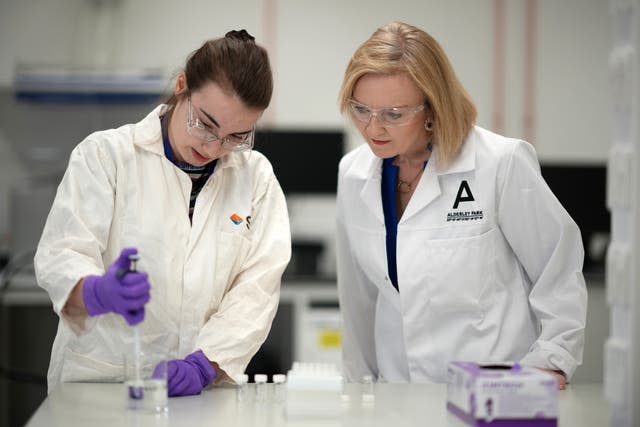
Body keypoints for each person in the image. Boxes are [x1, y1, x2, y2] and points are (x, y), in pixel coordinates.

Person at [34, 29, 291, 396]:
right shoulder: (107, 156)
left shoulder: (256, 177)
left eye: (237, 136)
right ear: (181, 86)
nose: (214, 146)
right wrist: (96, 292)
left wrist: (205, 364)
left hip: (201, 391)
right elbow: (61, 254)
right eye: (205, 124)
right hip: (101, 385)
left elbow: (257, 289)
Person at [336, 21, 586, 389]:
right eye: (361, 109)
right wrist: (357, 390)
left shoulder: (499, 163)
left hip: (495, 391)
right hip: (398, 394)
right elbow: (358, 300)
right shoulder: (353, 172)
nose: (374, 128)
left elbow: (557, 268)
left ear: (432, 108)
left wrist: (552, 361)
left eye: (394, 114)